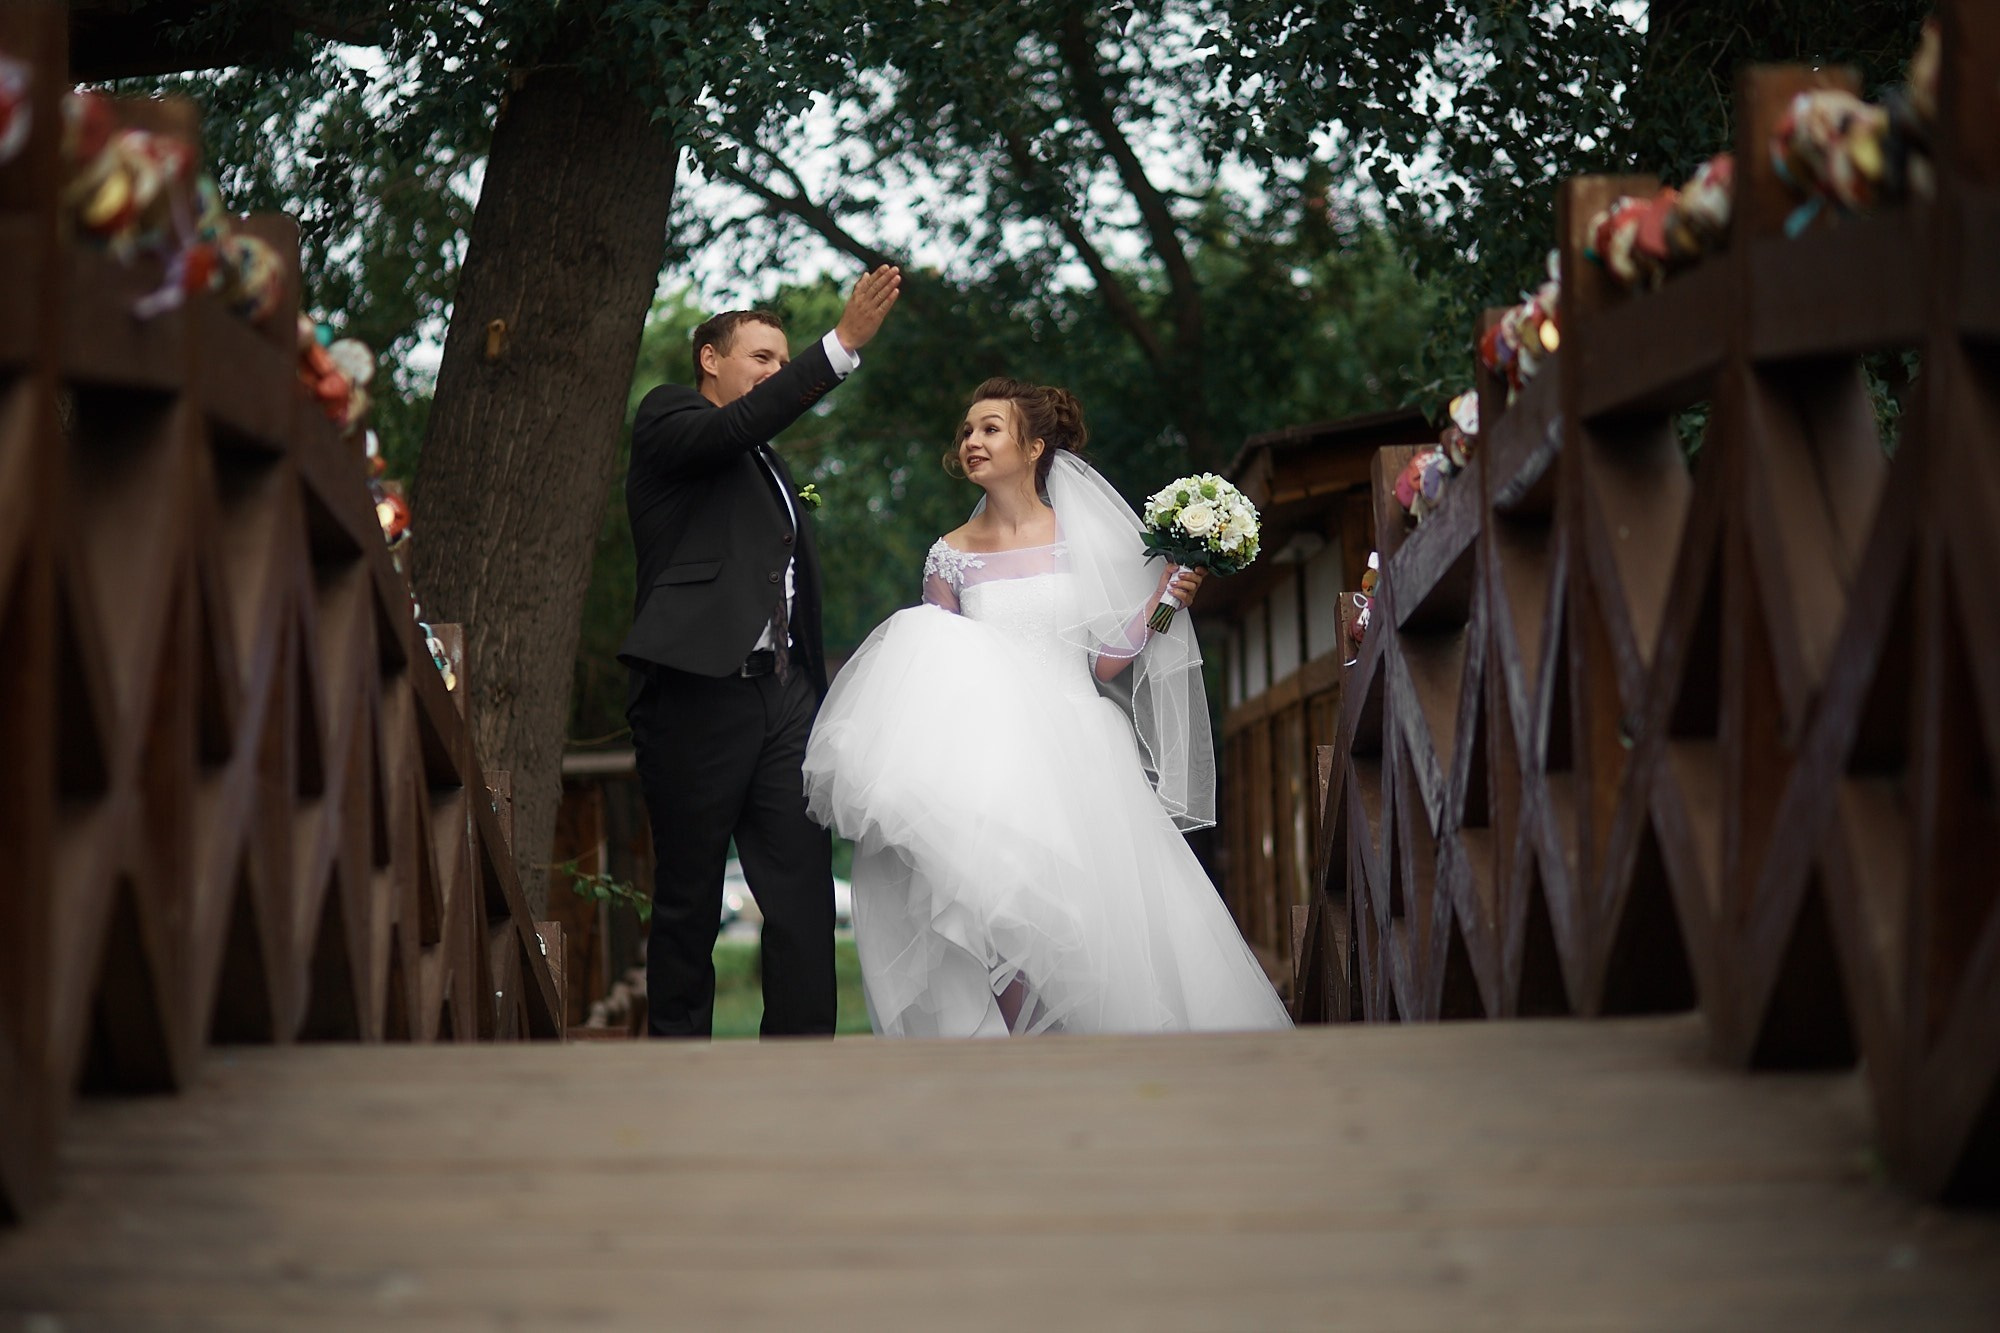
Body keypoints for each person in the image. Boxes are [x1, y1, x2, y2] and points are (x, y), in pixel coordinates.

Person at [801, 378, 1291, 1037]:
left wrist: (1170, 599)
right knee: (994, 910)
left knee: (1090, 920)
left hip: (1079, 749)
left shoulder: (1081, 539)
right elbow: (936, 670)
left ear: (1033, 446)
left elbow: (1108, 660)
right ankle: (1025, 1060)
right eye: (967, 430)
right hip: (993, 761)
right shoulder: (949, 555)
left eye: (990, 428)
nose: (973, 441)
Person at [619, 266, 902, 1038]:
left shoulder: (770, 466)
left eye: (785, 358)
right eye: (762, 357)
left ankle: (802, 1064)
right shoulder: (670, 418)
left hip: (785, 697)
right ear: (711, 359)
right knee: (690, 893)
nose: (778, 371)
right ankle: (680, 1061)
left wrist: (812, 684)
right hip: (696, 691)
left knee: (805, 890)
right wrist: (837, 347)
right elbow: (733, 429)